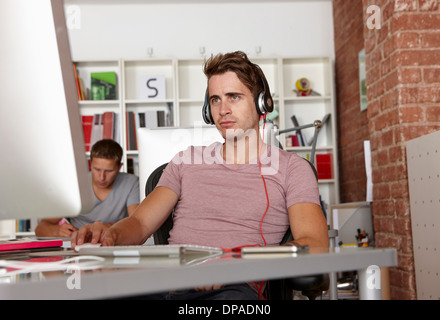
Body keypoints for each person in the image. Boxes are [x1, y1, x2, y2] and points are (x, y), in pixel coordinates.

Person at [71, 51, 328, 299]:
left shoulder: (293, 169)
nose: (222, 109)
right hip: (166, 281)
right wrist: (110, 236)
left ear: (263, 103)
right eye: (215, 99)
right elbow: (139, 225)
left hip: (231, 287)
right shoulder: (186, 160)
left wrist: (240, 262)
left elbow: (315, 245)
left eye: (234, 97)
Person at [35, 139, 140, 238]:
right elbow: (40, 228)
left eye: (109, 171)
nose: (101, 177)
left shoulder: (132, 183)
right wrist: (57, 231)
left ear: (119, 167)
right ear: (90, 164)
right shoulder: (74, 184)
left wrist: (106, 227)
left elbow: (135, 223)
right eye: (97, 169)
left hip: (114, 239)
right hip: (77, 243)